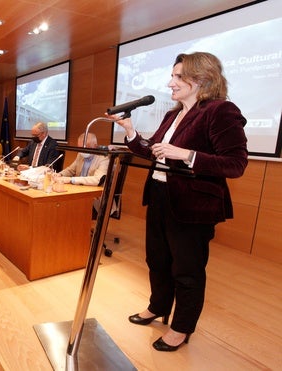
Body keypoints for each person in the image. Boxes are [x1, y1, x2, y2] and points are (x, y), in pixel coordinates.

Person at [107, 52, 248, 352]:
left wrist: (185, 154)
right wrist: (131, 132)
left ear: (201, 79)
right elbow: (156, 151)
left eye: (177, 76)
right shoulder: (172, 115)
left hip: (194, 205)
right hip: (160, 196)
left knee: (187, 270)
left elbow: (235, 164)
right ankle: (158, 306)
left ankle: (182, 327)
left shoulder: (220, 111)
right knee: (157, 260)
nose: (169, 83)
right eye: (171, 76)